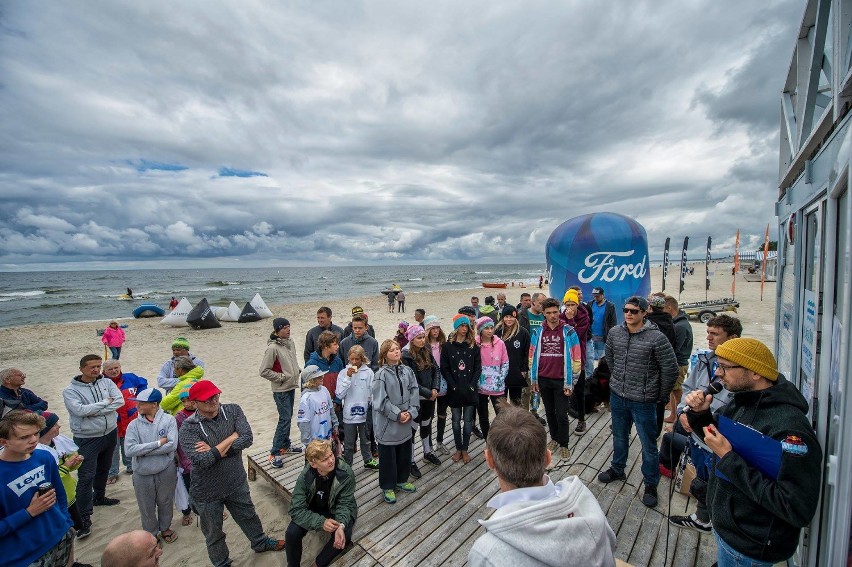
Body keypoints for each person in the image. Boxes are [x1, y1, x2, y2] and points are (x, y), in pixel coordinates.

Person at [685, 338, 822, 566]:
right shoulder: (742, 400)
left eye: (725, 367)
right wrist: (700, 414)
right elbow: (715, 437)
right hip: (730, 529)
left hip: (750, 546)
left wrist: (728, 458)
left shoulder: (790, 430)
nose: (718, 373)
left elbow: (796, 508)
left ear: (755, 372)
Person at [467, 404, 616, 567]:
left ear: (489, 460)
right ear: (548, 458)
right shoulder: (588, 506)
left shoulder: (485, 553)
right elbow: (611, 546)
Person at [179, 380, 285, 564]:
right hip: (207, 491)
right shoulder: (189, 427)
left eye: (215, 396)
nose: (213, 401)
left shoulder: (233, 410)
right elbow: (202, 460)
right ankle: (222, 563)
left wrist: (214, 449)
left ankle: (260, 542)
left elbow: (247, 438)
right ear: (194, 403)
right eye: (206, 399)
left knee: (248, 515)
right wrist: (231, 437)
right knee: (214, 534)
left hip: (236, 481)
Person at [598, 296, 678, 509]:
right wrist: (618, 380)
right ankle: (618, 468)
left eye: (634, 311)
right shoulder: (616, 333)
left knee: (648, 444)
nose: (629, 314)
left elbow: (670, 369)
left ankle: (651, 483)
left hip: (644, 401)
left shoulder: (656, 338)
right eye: (626, 310)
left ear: (644, 312)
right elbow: (610, 357)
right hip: (618, 396)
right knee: (619, 436)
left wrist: (659, 396)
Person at [667, 314, 741, 533]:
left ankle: (716, 522)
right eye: (708, 333)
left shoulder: (740, 370)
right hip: (697, 436)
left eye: (715, 334)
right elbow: (688, 390)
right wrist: (682, 413)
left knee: (719, 483)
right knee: (702, 478)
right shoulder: (704, 360)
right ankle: (703, 517)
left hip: (721, 440)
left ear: (733, 337)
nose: (708, 338)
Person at [0, 410, 76, 567]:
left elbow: (60, 495)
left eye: (35, 433)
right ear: (3, 442)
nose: (33, 440)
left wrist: (65, 523)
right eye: (24, 437)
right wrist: (29, 512)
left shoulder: (44, 456)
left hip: (60, 536)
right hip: (25, 556)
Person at [63, 354, 124, 538]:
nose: (96, 370)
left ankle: (99, 496)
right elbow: (79, 411)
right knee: (86, 475)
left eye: (98, 366)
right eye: (92, 367)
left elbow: (119, 401)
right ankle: (83, 517)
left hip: (110, 432)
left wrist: (93, 410)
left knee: (104, 468)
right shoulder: (71, 390)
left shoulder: (106, 382)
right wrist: (106, 403)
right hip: (87, 437)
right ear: (81, 369)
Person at [285, 439, 357, 567]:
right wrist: (320, 522)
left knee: (344, 534)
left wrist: (341, 525)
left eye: (331, 455)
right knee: (291, 533)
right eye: (324, 459)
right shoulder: (306, 476)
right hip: (314, 508)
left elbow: (345, 504)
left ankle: (318, 564)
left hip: (335, 509)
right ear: (313, 464)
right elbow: (296, 509)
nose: (331, 461)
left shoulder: (345, 473)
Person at [123, 388, 178, 544]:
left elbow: (172, 445)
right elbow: (129, 450)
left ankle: (165, 528)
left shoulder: (168, 420)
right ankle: (151, 534)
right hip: (142, 472)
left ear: (154, 404)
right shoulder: (133, 425)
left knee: (165, 501)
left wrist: (143, 451)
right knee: (146, 506)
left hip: (165, 468)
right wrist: (158, 443)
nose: (137, 406)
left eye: (142, 403)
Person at [530, 298, 581, 464]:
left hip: (562, 380)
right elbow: (532, 356)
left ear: (560, 311)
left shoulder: (569, 331)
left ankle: (564, 443)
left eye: (555, 312)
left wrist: (571, 381)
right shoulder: (538, 332)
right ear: (543, 314)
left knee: (562, 414)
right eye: (549, 313)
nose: (553, 316)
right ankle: (554, 437)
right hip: (544, 379)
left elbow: (576, 357)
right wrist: (534, 379)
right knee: (550, 412)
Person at [372, 339, 419, 503]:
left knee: (404, 452)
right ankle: (387, 485)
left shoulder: (407, 371)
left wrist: (412, 411)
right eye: (392, 350)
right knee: (388, 457)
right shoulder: (380, 375)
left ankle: (401, 480)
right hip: (388, 423)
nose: (396, 351)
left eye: (397, 348)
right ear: (384, 355)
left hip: (406, 420)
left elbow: (414, 390)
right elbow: (380, 401)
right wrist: (398, 414)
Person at [259, 317, 303, 468]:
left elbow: (291, 361)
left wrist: (296, 371)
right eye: (284, 327)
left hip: (291, 386)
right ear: (277, 330)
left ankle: (285, 444)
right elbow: (264, 371)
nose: (288, 329)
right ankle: (275, 452)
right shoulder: (272, 348)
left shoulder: (289, 342)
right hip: (281, 389)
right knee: (284, 419)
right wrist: (282, 377)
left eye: (289, 326)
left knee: (288, 417)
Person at [441, 315, 481, 465]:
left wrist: (472, 384)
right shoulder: (447, 346)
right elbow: (444, 368)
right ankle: (458, 448)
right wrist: (453, 385)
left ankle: (465, 449)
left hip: (470, 389)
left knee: (468, 421)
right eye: (461, 326)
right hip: (455, 389)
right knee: (456, 420)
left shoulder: (473, 346)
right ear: (456, 327)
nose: (464, 329)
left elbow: (478, 368)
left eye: (466, 326)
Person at [402, 325, 442, 474]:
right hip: (415, 398)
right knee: (412, 428)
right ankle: (410, 460)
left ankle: (427, 451)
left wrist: (435, 388)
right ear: (411, 339)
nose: (422, 340)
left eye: (422, 337)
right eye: (418, 338)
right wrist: (428, 392)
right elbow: (411, 380)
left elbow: (436, 370)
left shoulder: (426, 349)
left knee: (427, 423)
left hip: (429, 396)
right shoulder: (406, 355)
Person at [37, 412, 85, 532]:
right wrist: (65, 467)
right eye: (55, 424)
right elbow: (47, 478)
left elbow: (70, 468)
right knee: (65, 531)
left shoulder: (59, 442)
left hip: (69, 493)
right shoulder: (38, 452)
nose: (59, 426)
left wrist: (76, 462)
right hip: (55, 499)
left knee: (77, 526)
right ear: (45, 430)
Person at [103, 359, 148, 481]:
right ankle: (112, 472)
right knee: (112, 447)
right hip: (112, 421)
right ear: (104, 371)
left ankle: (130, 466)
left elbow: (143, 383)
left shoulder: (130, 378)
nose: (114, 371)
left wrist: (140, 399)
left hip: (130, 418)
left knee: (128, 443)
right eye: (110, 369)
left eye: (116, 368)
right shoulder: (101, 383)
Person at [336, 345, 377, 469]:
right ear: (348, 358)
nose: (354, 362)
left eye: (357, 359)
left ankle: (368, 460)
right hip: (349, 414)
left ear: (362, 359)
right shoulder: (343, 373)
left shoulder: (369, 372)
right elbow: (339, 393)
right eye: (351, 359)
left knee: (366, 440)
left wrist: (372, 407)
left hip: (364, 414)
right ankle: (348, 465)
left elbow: (373, 393)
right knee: (349, 443)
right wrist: (348, 377)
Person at [561, 289, 590, 436]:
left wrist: (571, 320)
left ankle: (581, 419)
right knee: (564, 390)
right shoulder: (560, 316)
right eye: (568, 304)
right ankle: (564, 416)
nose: (570, 308)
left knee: (579, 391)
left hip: (579, 359)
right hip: (563, 360)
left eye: (573, 304)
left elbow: (575, 338)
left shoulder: (584, 316)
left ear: (577, 304)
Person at [475, 317, 508, 441]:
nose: (490, 331)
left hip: (497, 386)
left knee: (501, 414)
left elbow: (505, 363)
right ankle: (487, 439)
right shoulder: (475, 344)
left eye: (491, 328)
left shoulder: (500, 343)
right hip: (480, 387)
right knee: (483, 415)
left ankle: (501, 438)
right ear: (481, 330)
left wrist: (500, 378)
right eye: (486, 328)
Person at [663, 296, 693, 424]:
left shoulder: (680, 326)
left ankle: (678, 416)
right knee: (673, 389)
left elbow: (675, 347)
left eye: (663, 308)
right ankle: (674, 414)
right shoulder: (679, 322)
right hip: (679, 362)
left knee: (677, 390)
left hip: (679, 363)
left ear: (669, 307)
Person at [495, 305, 531, 408]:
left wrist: (524, 369)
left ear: (516, 317)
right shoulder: (497, 332)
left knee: (516, 403)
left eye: (511, 317)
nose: (509, 319)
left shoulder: (523, 332)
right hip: (500, 373)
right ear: (503, 317)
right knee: (501, 403)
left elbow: (527, 352)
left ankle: (516, 422)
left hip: (516, 372)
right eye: (506, 317)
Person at [425, 316, 450, 456]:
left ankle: (439, 441)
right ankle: (427, 444)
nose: (435, 331)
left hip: (444, 380)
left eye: (437, 328)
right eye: (432, 328)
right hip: (430, 382)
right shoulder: (425, 346)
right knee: (429, 415)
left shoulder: (443, 344)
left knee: (442, 413)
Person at [297, 366, 338, 447]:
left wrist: (335, 424)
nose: (322, 377)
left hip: (328, 437)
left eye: (322, 375)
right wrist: (308, 443)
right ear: (311, 380)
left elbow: (331, 410)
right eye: (318, 376)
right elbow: (303, 422)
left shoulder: (324, 390)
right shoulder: (306, 398)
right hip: (314, 442)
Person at [585, 286, 617, 376]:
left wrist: (611, 336)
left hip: (603, 338)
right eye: (594, 296)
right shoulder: (590, 304)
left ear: (603, 295)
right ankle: (589, 377)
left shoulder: (610, 306)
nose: (595, 298)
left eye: (598, 296)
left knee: (602, 360)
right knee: (589, 360)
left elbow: (613, 322)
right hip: (590, 337)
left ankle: (600, 376)